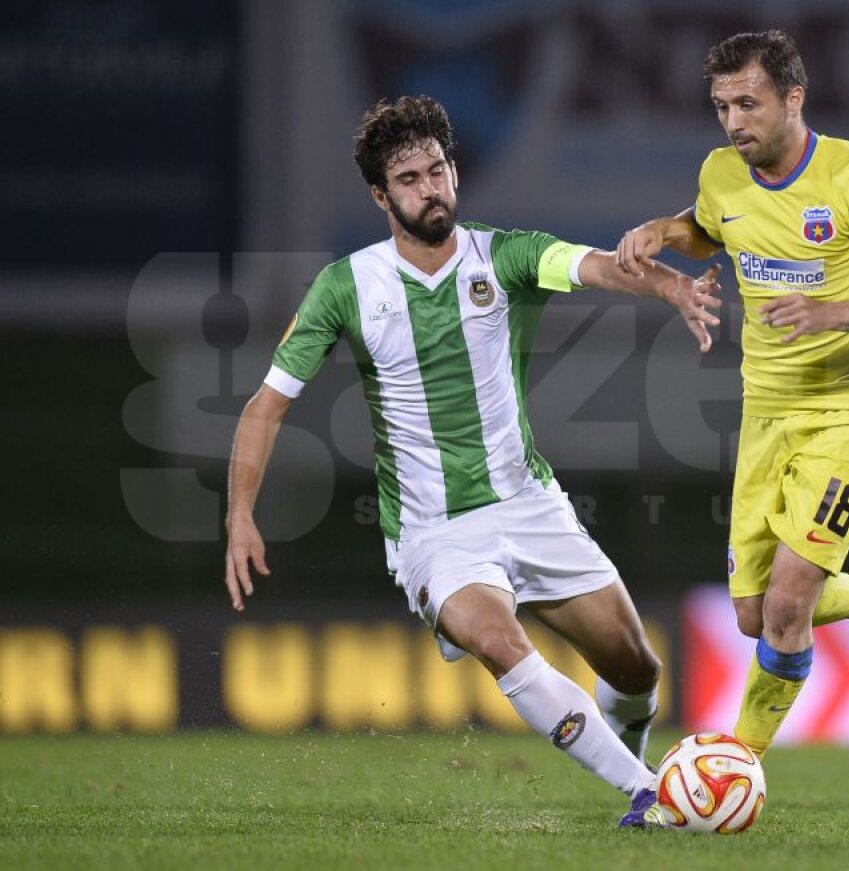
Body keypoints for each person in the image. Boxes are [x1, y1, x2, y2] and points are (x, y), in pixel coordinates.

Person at [223, 95, 721, 827]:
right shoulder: (346, 286)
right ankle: (647, 792)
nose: (431, 188)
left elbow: (593, 266)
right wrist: (239, 513)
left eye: (439, 170)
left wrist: (672, 284)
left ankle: (631, 758)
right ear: (381, 195)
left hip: (530, 503)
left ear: (455, 170)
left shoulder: (504, 254)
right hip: (434, 532)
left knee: (636, 667)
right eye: (410, 178)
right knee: (497, 638)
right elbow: (265, 406)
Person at [617, 30, 849, 757]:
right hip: (767, 409)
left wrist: (833, 313)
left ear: (793, 98)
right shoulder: (722, 173)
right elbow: (710, 230)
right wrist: (663, 231)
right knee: (752, 612)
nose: (734, 121)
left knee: (789, 603)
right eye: (720, 106)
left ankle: (733, 764)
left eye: (749, 102)